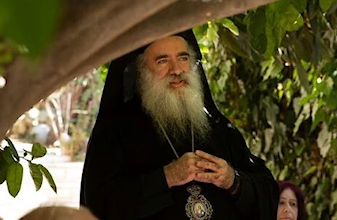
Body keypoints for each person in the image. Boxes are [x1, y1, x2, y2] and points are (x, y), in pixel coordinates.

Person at [80, 30, 279, 220]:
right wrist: (166, 178)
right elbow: (100, 206)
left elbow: (267, 190)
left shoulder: (217, 127)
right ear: (141, 70)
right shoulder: (115, 130)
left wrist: (233, 181)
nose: (176, 70)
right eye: (163, 61)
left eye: (183, 58)